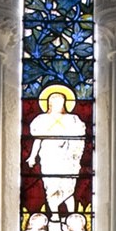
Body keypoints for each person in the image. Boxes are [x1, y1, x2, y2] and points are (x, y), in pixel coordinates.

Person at [26, 85, 86, 222]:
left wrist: (73, 152)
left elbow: (79, 139)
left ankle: (72, 216)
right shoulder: (42, 119)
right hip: (49, 156)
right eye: (55, 102)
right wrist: (32, 156)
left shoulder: (73, 119)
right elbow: (38, 139)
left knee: (69, 186)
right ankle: (55, 216)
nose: (59, 105)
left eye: (61, 102)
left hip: (68, 158)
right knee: (52, 186)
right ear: (50, 104)